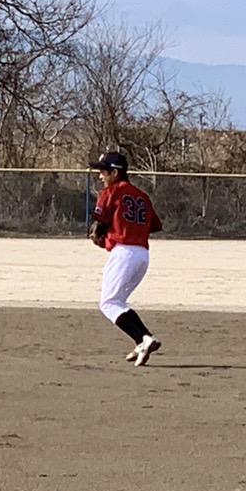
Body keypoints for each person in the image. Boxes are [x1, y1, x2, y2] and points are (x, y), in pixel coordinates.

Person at [88, 150, 164, 366]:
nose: (100, 176)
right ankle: (142, 341)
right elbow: (154, 225)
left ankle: (144, 338)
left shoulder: (111, 192)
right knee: (118, 302)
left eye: (103, 171)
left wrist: (100, 236)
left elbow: (98, 226)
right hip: (143, 255)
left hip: (123, 253)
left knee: (109, 303)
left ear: (115, 173)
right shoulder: (142, 196)